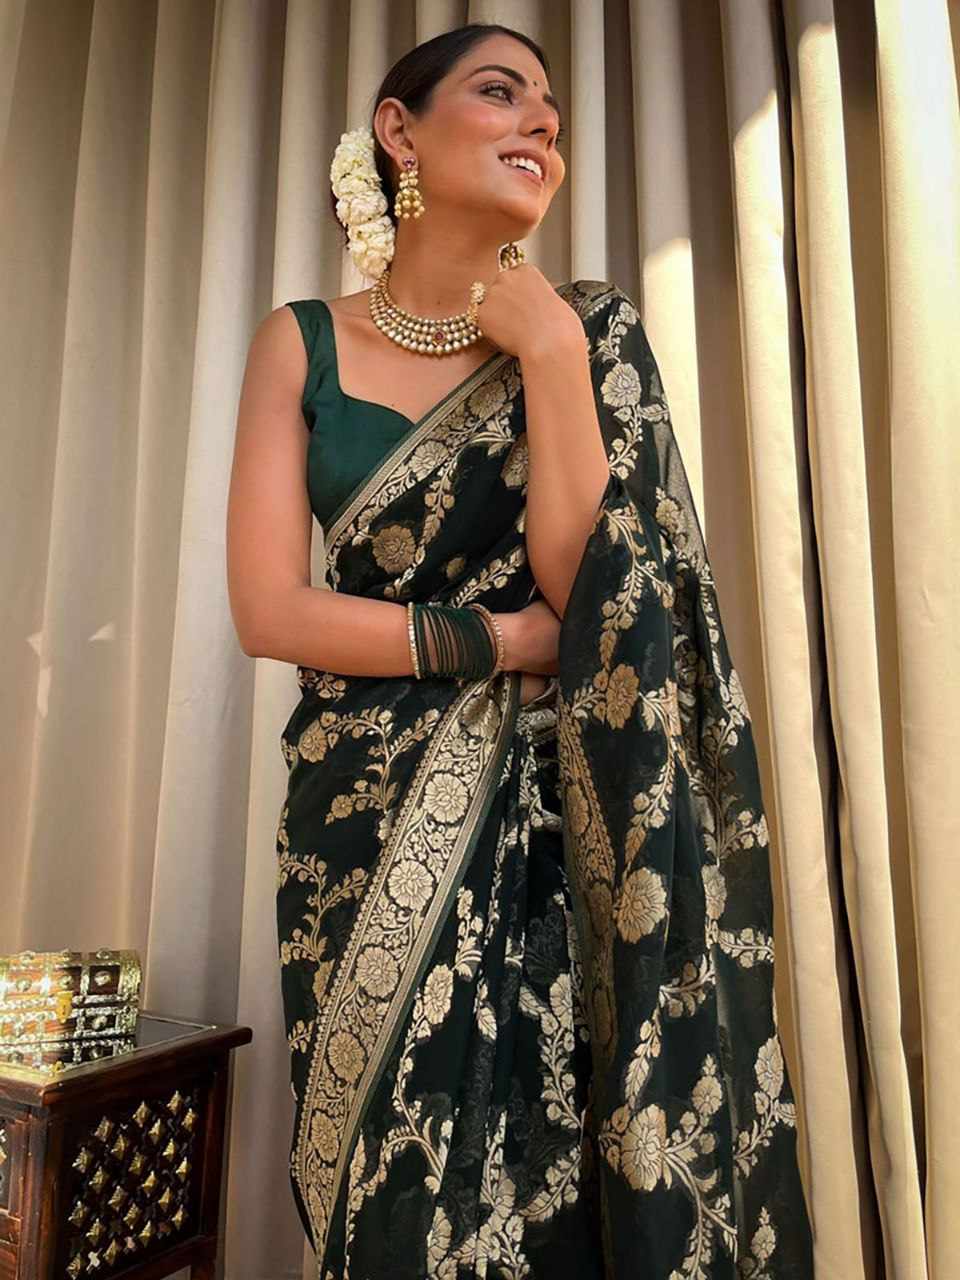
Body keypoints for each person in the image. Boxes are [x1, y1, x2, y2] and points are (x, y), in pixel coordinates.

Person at [226, 21, 815, 1280]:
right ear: (399, 131)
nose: (542, 120)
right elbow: (270, 610)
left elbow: (586, 589)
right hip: (361, 821)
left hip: (560, 825)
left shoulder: (588, 329)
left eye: (549, 105)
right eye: (501, 93)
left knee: (551, 1189)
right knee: (393, 1200)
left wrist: (548, 348)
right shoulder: (302, 342)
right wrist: (493, 640)